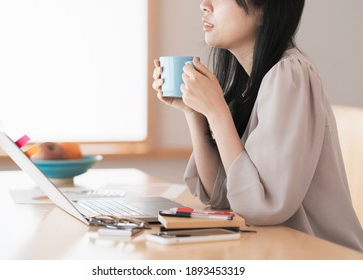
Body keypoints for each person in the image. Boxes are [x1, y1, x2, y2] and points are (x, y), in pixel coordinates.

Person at [152, 0, 363, 252]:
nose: (204, 4)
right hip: (278, 252)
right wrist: (194, 110)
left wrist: (216, 110)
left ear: (265, 11)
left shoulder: (289, 74)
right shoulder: (251, 82)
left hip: (324, 259)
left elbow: (262, 207)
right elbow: (219, 193)